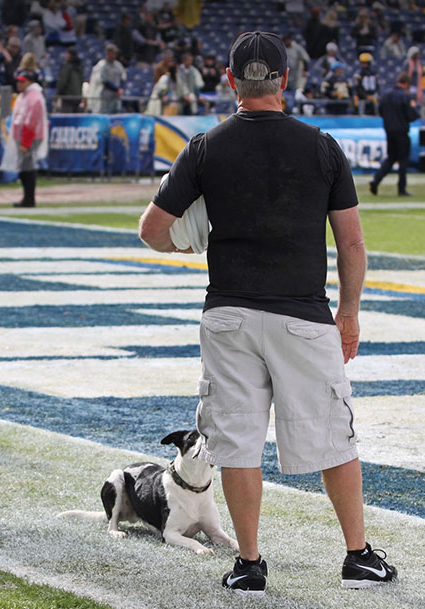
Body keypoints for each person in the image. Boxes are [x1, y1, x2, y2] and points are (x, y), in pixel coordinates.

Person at [137, 30, 397, 596]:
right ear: (285, 80)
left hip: (229, 312)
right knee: (333, 437)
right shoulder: (322, 145)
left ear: (230, 80)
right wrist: (349, 314)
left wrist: (188, 246)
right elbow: (351, 245)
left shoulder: (205, 146)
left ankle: (249, 565)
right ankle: (357, 555)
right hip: (302, 314)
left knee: (238, 442)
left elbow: (152, 229)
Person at [3, 67, 48, 207]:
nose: (19, 84)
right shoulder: (25, 95)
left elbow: (31, 121)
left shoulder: (34, 97)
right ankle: (27, 197)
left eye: (22, 81)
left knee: (27, 167)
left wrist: (26, 142)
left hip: (28, 137)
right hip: (22, 136)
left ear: (29, 82)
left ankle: (29, 199)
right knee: (24, 167)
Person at [370, 72, 418, 196]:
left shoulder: (385, 95)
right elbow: (411, 115)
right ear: (406, 83)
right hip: (402, 131)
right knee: (403, 160)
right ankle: (401, 188)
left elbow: (380, 111)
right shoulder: (405, 97)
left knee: (391, 158)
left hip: (389, 131)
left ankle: (376, 179)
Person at [88, 43, 127, 114]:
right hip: (104, 97)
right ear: (107, 53)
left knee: (115, 119)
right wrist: (116, 89)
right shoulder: (102, 65)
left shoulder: (118, 65)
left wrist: (121, 89)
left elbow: (123, 78)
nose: (113, 55)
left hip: (115, 97)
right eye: (111, 53)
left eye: (114, 53)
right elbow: (104, 80)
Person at [55, 47, 85, 112]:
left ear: (69, 55)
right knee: (75, 120)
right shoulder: (80, 67)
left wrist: (57, 95)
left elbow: (62, 83)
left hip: (68, 99)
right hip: (77, 98)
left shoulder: (67, 67)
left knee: (67, 120)